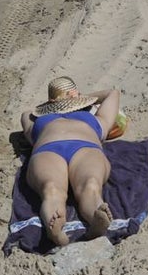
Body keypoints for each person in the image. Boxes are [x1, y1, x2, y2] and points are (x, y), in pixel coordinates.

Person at [20, 77, 121, 246]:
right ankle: (56, 230)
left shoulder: (100, 121)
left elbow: (113, 93)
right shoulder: (93, 118)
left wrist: (71, 98)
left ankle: (97, 218)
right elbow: (26, 114)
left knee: (89, 184)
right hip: (57, 148)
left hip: (71, 147)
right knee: (52, 188)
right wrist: (75, 99)